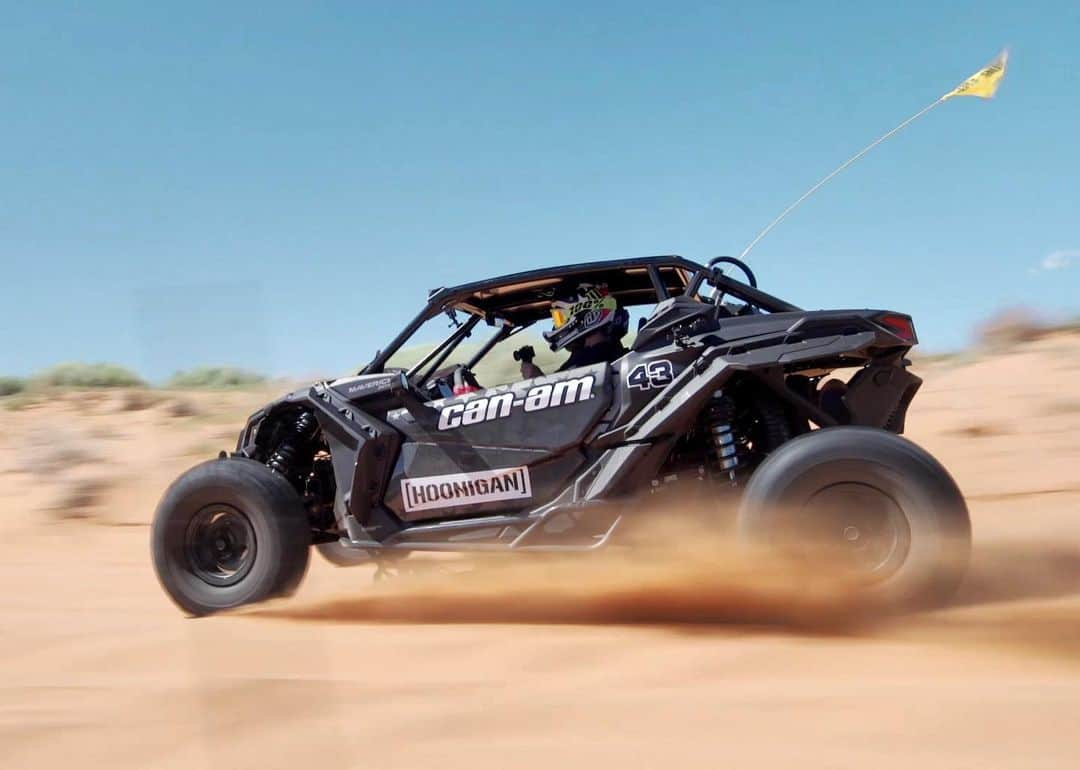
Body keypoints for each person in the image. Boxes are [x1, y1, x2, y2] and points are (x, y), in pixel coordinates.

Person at [514, 283, 629, 379]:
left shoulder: (594, 356)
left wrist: (535, 378)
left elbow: (563, 395)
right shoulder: (610, 350)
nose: (557, 325)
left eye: (560, 317)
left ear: (582, 313)